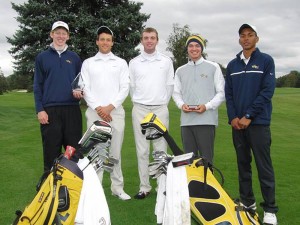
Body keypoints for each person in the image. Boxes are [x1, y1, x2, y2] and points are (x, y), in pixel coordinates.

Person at [225, 23, 278, 225]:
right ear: (239, 40)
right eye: (242, 35)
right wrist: (233, 117)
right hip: (238, 125)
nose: (246, 38)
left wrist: (248, 115)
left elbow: (267, 91)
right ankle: (248, 202)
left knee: (264, 167)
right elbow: (228, 94)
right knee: (243, 164)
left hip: (258, 123)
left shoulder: (266, 61)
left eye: (250, 35)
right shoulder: (232, 65)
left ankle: (270, 209)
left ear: (257, 38)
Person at [80, 25, 131, 201]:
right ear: (97, 41)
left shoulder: (121, 62)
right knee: (96, 151)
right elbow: (84, 87)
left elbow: (125, 88)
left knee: (115, 152)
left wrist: (110, 107)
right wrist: (99, 109)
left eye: (108, 39)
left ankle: (117, 188)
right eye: (102, 39)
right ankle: (96, 190)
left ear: (112, 42)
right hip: (95, 113)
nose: (105, 42)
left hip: (115, 113)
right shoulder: (88, 63)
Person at [129, 27, 174, 199]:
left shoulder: (166, 61)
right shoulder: (134, 62)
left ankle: (162, 186)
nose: (149, 40)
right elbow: (132, 88)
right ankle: (144, 187)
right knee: (142, 150)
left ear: (157, 40)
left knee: (160, 149)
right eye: (146, 37)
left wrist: (161, 103)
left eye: (152, 38)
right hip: (140, 108)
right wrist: (141, 102)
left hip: (160, 109)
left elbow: (170, 86)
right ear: (141, 40)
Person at [34, 21, 82, 172]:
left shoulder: (74, 58)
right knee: (51, 151)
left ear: (68, 36)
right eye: (57, 32)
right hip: (50, 111)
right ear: (51, 34)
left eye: (64, 33)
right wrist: (39, 109)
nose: (60, 36)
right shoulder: (42, 57)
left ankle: (72, 188)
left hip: (72, 110)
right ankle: (50, 189)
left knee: (73, 151)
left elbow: (81, 82)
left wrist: (81, 91)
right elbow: (37, 85)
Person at [172, 34, 225, 164]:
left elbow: (221, 93)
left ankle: (207, 185)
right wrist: (181, 105)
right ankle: (193, 185)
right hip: (187, 122)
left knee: (206, 160)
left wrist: (206, 106)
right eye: (190, 46)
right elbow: (176, 93)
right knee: (190, 161)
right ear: (187, 49)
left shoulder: (213, 67)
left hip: (206, 121)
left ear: (201, 48)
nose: (194, 48)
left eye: (197, 46)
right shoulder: (180, 70)